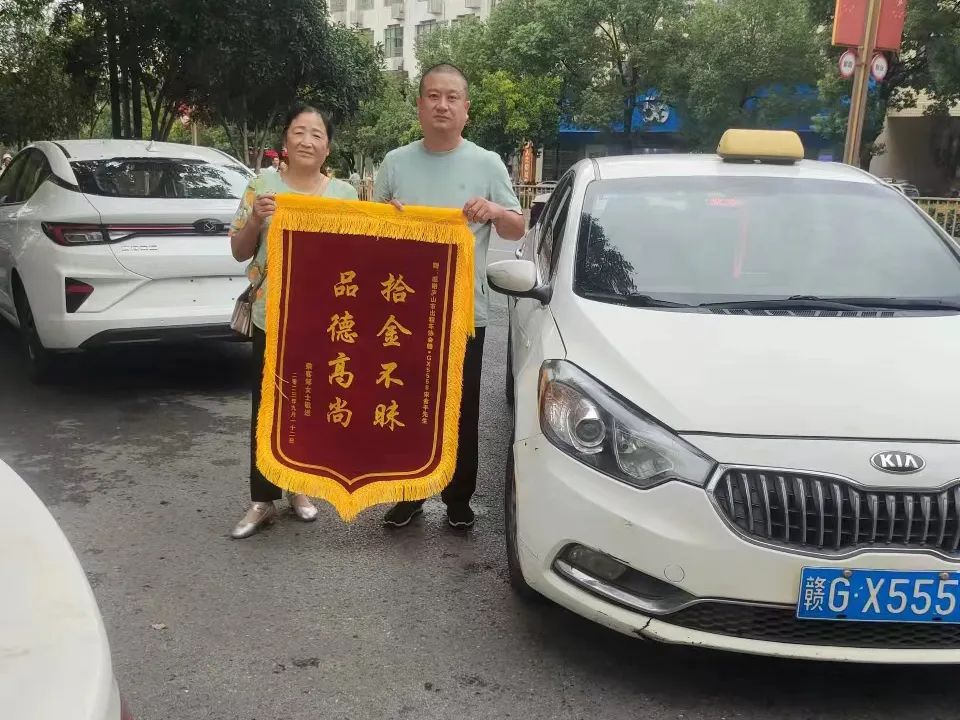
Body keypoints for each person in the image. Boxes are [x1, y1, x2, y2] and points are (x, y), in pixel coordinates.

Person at [374, 63, 525, 530]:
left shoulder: (487, 163)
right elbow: (368, 233)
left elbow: (517, 227)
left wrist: (495, 209)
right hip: (403, 310)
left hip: (463, 311)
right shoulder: (395, 162)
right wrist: (386, 219)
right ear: (420, 105)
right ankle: (408, 494)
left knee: (460, 408)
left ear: (466, 109)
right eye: (433, 96)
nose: (442, 105)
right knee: (406, 405)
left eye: (452, 97)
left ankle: (459, 499)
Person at [228, 104, 359, 539]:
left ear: (328, 147)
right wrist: (256, 219)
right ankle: (262, 499)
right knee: (267, 408)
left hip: (323, 322)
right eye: (299, 132)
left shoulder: (345, 195)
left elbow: (364, 254)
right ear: (285, 140)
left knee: (307, 406)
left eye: (317, 134)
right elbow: (239, 251)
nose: (307, 140)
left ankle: (298, 488)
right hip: (272, 317)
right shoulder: (262, 187)